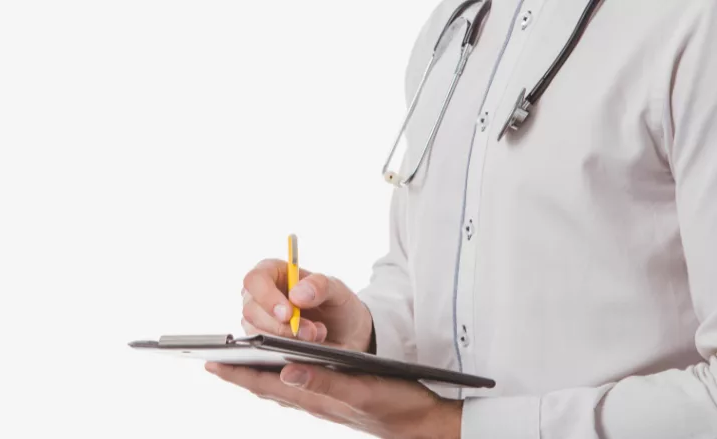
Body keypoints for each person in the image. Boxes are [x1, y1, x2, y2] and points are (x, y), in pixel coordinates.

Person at [204, 0, 717, 437]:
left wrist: (454, 428)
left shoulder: (694, 22)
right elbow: (418, 275)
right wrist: (362, 335)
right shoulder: (456, 25)